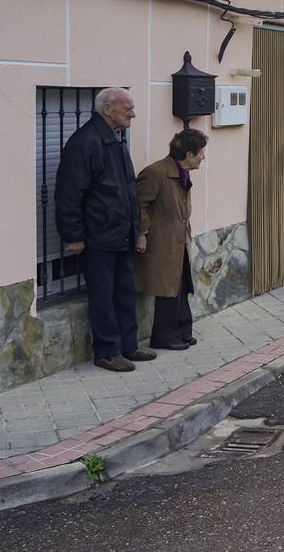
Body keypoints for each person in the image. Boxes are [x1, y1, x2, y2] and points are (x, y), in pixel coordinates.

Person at [55, 87, 157, 373]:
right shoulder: (85, 142)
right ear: (107, 109)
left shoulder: (114, 139)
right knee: (103, 296)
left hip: (120, 233)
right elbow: (69, 193)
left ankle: (128, 345)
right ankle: (107, 352)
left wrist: (137, 229)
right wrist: (73, 236)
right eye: (128, 108)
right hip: (98, 236)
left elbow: (126, 191)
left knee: (124, 292)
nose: (133, 113)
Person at [135, 128, 208, 352]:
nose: (203, 157)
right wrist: (143, 233)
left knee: (182, 283)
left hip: (178, 239)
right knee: (168, 288)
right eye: (201, 153)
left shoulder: (182, 173)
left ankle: (182, 330)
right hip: (162, 241)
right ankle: (164, 337)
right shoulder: (156, 173)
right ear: (188, 155)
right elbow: (138, 205)